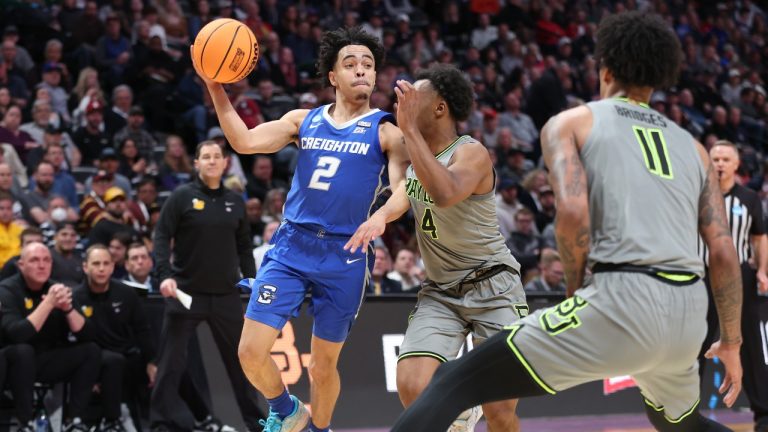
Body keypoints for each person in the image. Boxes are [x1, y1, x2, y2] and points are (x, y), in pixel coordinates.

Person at [391, 12, 744, 432]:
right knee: (678, 423)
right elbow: (723, 252)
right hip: (688, 313)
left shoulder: (574, 122)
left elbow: (574, 214)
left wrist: (576, 291)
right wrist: (732, 340)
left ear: (605, 69)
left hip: (622, 296)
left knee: (450, 383)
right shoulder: (695, 148)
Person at [191, 26, 408, 432]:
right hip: (292, 245)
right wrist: (215, 87)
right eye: (350, 64)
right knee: (250, 351)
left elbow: (405, 191)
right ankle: (287, 410)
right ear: (333, 76)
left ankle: (318, 430)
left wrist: (381, 216)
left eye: (368, 64)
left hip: (345, 254)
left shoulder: (386, 132)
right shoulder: (303, 120)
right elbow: (244, 141)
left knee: (322, 368)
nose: (361, 70)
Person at [346, 64, 526, 431]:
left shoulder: (471, 153)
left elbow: (444, 193)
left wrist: (409, 130)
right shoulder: (419, 162)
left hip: (493, 286)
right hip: (442, 292)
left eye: (415, 97)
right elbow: (407, 190)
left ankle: (474, 410)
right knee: (412, 385)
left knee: (500, 411)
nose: (404, 103)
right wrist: (380, 217)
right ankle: (459, 414)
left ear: (440, 108)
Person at [151, 141, 264, 431]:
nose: (212, 161)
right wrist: (164, 274)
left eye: (217, 156)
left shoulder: (235, 201)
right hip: (186, 293)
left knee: (242, 363)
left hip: (226, 295)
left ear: (225, 163)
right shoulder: (181, 197)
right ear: (197, 163)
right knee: (170, 364)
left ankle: (257, 424)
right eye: (206, 156)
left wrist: (252, 282)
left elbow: (244, 247)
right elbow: (161, 236)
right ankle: (159, 424)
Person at [699, 141, 768, 432]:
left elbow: (760, 237)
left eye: (726, 159)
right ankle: (684, 410)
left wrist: (762, 270)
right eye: (715, 159)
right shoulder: (697, 195)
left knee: (751, 346)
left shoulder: (749, 198)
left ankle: (764, 414)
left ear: (736, 164)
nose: (720, 164)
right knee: (696, 343)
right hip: (701, 275)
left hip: (741, 277)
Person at [0, 243, 101, 432]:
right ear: (21, 265)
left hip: (46, 359)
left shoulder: (57, 289)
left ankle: (73, 421)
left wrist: (68, 309)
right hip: (13, 363)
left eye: (47, 260)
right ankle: (25, 423)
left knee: (91, 351)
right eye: (34, 260)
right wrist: (47, 304)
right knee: (23, 351)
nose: (42, 265)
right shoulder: (7, 290)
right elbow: (17, 334)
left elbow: (89, 334)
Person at [74, 244, 156, 432]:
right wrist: (89, 374)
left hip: (127, 355)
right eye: (96, 264)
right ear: (85, 267)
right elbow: (74, 341)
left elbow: (143, 330)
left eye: (106, 264)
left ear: (113, 267)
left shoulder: (126, 293)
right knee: (112, 361)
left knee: (170, 363)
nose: (101, 269)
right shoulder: (75, 297)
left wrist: (152, 361)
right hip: (96, 360)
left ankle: (203, 418)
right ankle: (112, 421)